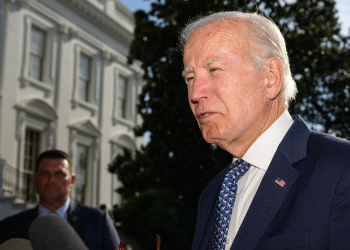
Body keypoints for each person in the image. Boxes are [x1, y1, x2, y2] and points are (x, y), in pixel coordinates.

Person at [179, 11, 350, 250]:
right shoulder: (211, 195)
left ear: (270, 78)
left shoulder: (341, 168)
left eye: (214, 70)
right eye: (189, 78)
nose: (195, 93)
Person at [0, 149, 121, 250]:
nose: (51, 180)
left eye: (59, 174)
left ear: (72, 180)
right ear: (35, 180)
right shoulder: (9, 227)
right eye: (45, 173)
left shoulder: (99, 221)